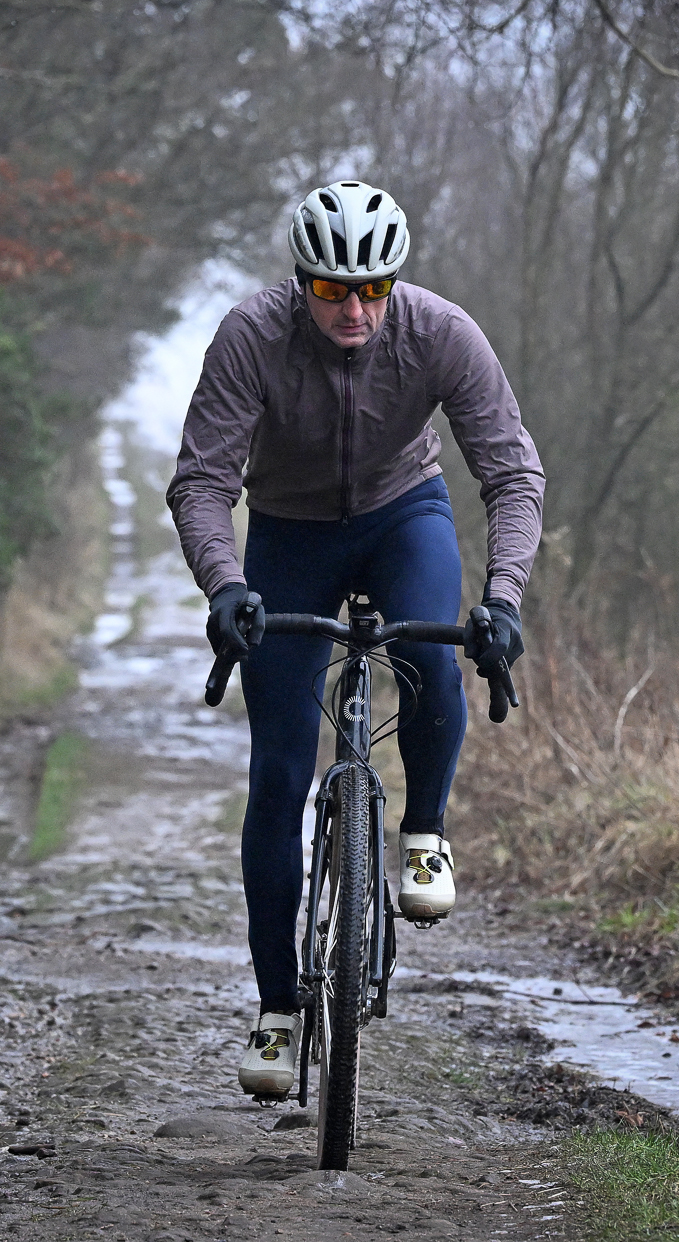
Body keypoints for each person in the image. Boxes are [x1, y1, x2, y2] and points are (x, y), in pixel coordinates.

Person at [165, 180, 545, 1098]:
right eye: (334, 290)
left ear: (394, 284)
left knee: (430, 654)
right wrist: (227, 587)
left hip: (399, 514)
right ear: (302, 283)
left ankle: (424, 832)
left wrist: (501, 597)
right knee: (281, 766)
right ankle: (275, 1010)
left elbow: (512, 471)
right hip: (291, 532)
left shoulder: (442, 333)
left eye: (372, 288)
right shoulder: (251, 336)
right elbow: (202, 482)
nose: (355, 308)